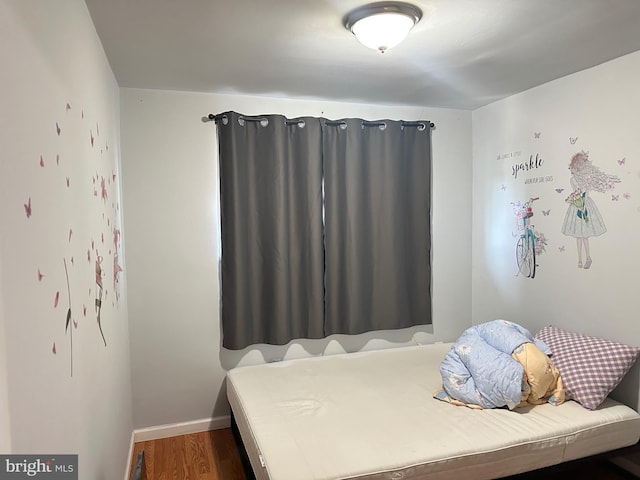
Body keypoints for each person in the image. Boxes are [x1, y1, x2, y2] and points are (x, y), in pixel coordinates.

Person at [561, 151, 619, 269]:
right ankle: (579, 259)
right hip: (577, 204)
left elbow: (586, 192)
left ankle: (588, 257)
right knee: (578, 235)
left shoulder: (584, 178)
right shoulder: (573, 179)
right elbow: (576, 191)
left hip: (585, 203)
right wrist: (578, 202)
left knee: (585, 235)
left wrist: (583, 203)